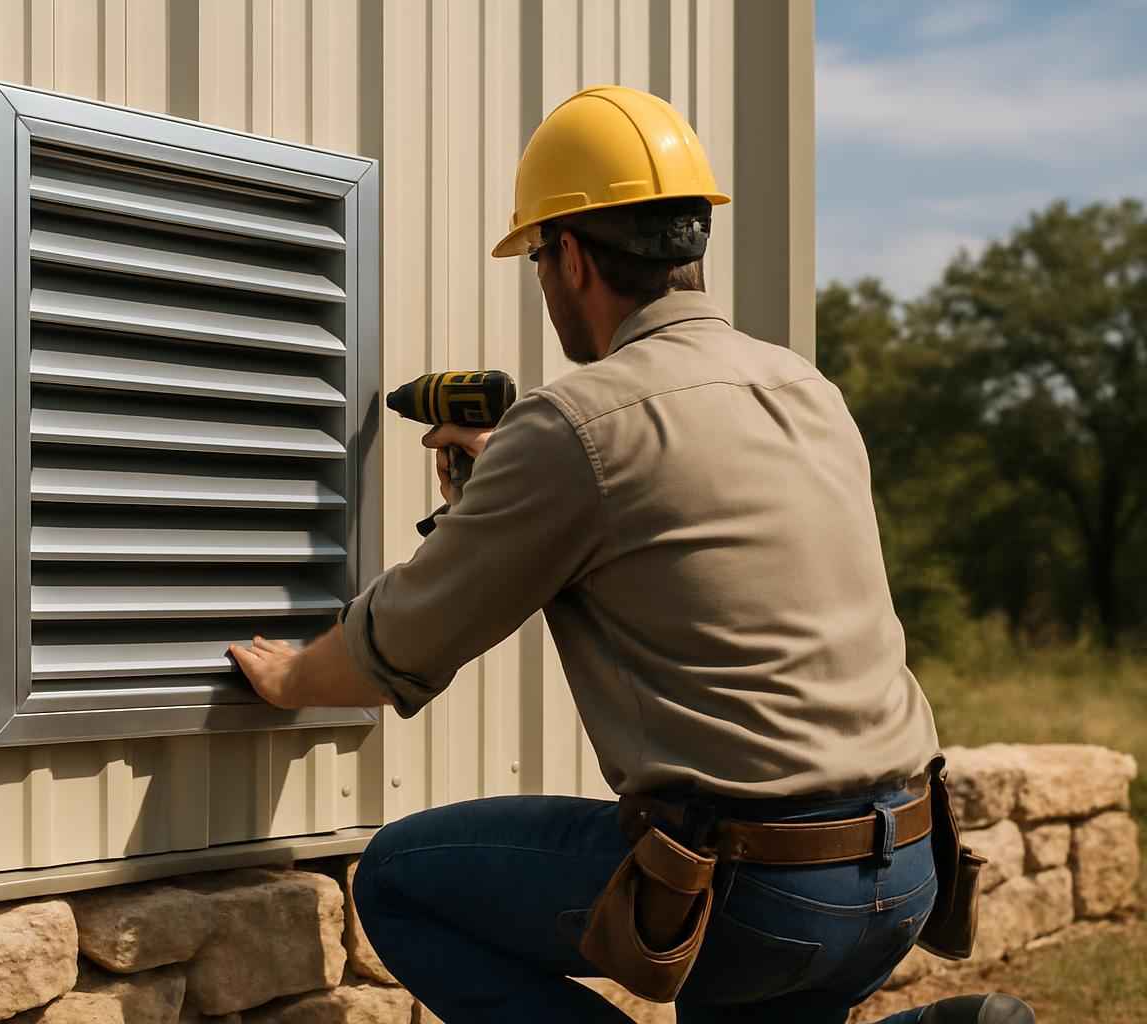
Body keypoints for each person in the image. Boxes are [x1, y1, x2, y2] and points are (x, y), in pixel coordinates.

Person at [230, 86, 1033, 1024]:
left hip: (757, 888)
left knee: (402, 883)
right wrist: (510, 485)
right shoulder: (807, 389)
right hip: (904, 867)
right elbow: (679, 514)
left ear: (570, 255)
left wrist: (288, 679)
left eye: (535, 255)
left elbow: (401, 642)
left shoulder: (575, 426)